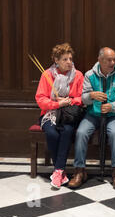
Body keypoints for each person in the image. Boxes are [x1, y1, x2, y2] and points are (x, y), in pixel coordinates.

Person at [69, 47, 115, 190]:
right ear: (100, 60)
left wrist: (112, 106)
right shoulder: (90, 75)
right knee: (81, 133)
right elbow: (83, 98)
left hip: (114, 115)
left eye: (114, 59)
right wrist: (91, 96)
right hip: (93, 115)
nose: (113, 62)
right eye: (109, 60)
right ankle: (79, 171)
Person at [35, 43, 84, 189]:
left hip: (69, 115)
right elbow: (41, 99)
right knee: (51, 133)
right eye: (65, 59)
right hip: (49, 114)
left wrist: (68, 101)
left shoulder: (78, 75)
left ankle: (57, 171)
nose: (69, 62)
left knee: (67, 131)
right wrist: (57, 104)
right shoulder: (47, 75)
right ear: (56, 60)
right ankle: (60, 171)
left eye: (70, 58)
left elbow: (82, 98)